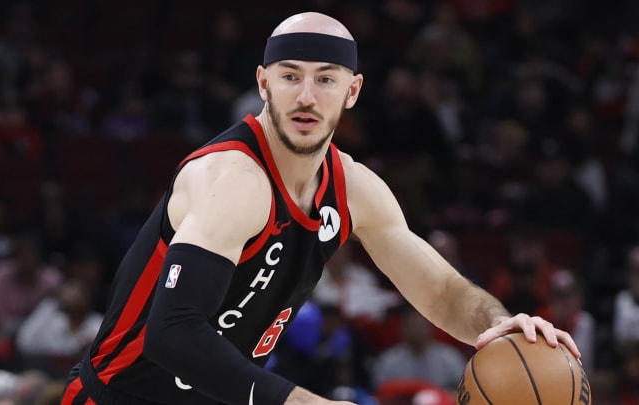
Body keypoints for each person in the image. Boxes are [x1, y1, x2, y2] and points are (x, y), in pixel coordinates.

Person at [61, 12, 581, 405]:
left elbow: (442, 291)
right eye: (290, 76)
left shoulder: (353, 187)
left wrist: (501, 324)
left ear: (351, 92)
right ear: (263, 82)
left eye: (326, 78)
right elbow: (172, 334)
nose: (306, 96)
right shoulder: (231, 180)